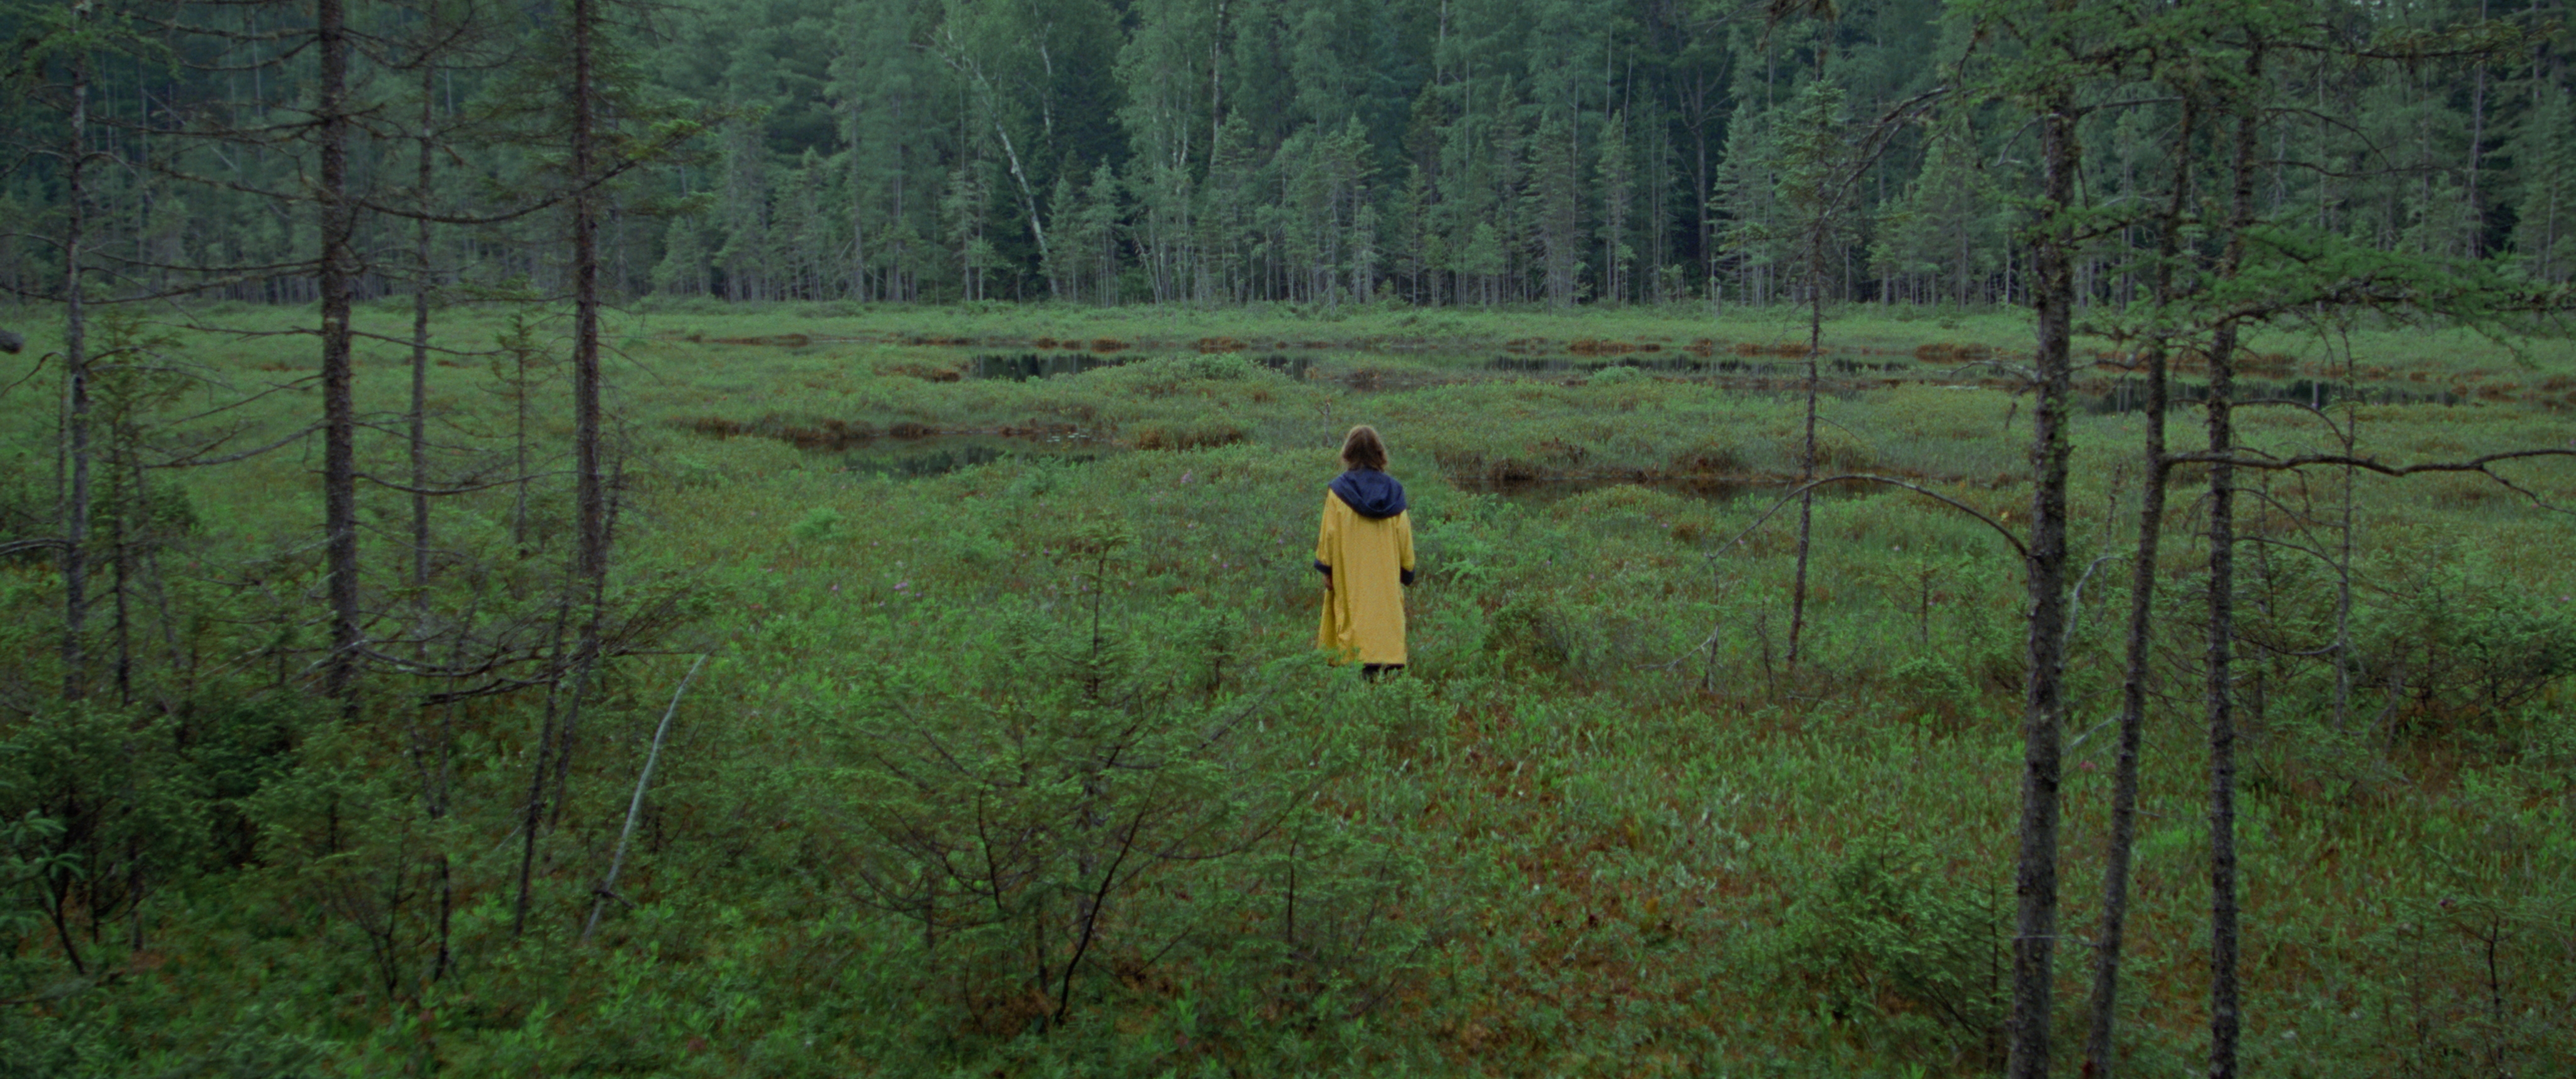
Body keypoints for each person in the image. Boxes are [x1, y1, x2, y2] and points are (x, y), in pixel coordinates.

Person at [1314, 425, 1416, 677]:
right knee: (1388, 675)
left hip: (1351, 595)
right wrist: (1407, 572)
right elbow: (1406, 549)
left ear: (1348, 453)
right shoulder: (1395, 492)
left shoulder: (1337, 493)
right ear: (1380, 454)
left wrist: (1327, 571)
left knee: (1351, 651)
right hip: (1387, 622)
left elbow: (1327, 542)